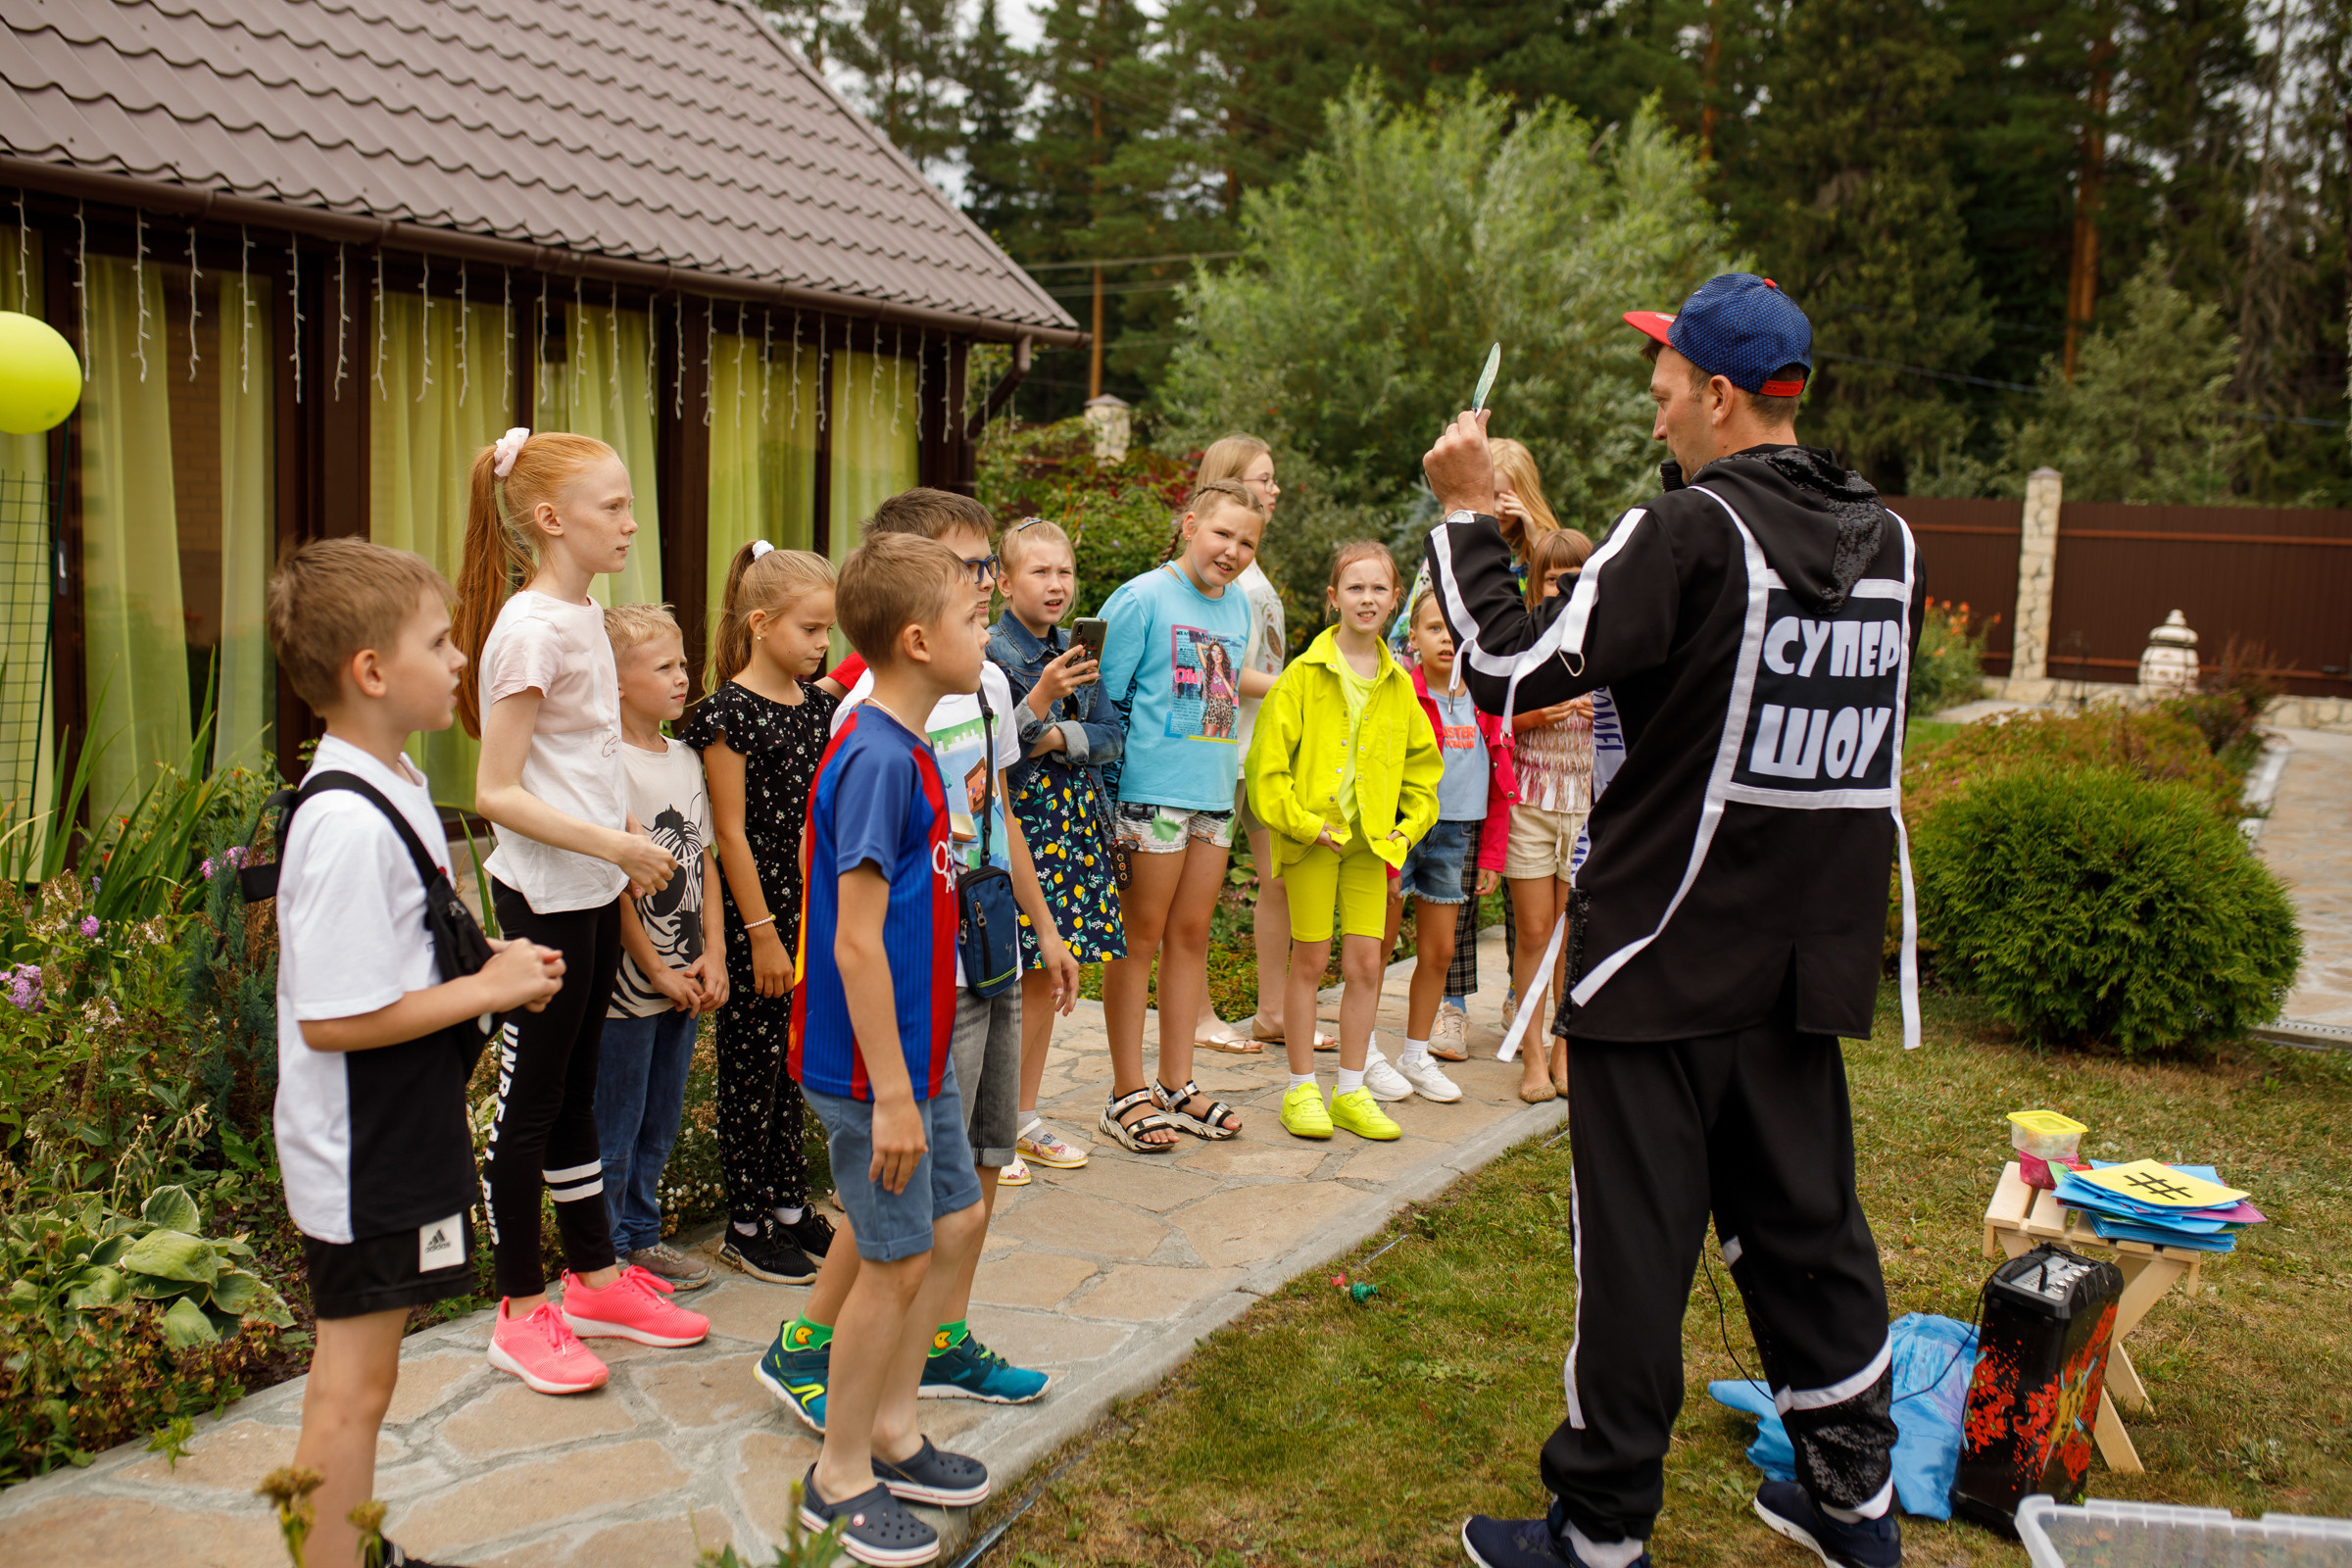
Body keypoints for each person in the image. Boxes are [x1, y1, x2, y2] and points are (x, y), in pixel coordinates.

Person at [1427, 273, 1920, 1568]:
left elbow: (1509, 669)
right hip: (1805, 960)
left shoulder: (1687, 531)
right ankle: (1856, 1508)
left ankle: (1598, 1536)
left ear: (1717, 394)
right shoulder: (1889, 541)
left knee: (1635, 1256)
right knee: (1810, 1238)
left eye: (1664, 396)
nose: (1655, 420)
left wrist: (1467, 517)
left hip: (1659, 961)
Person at [267, 538, 566, 1568]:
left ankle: (350, 1549)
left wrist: (492, 961)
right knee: (353, 1387)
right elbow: (334, 1017)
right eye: (438, 643)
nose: (459, 658)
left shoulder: (389, 777)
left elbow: (401, 950)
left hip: (395, 1129)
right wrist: (489, 988)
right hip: (364, 1150)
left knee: (365, 1376)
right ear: (370, 671)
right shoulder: (347, 823)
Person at [763, 490, 1081, 1425]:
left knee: (971, 1174)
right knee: (897, 1200)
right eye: (970, 574)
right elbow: (843, 898)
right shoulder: (869, 731)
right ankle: (816, 1348)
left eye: (985, 572)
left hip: (984, 946)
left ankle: (940, 1340)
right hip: (911, 991)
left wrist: (1042, 928)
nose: (985, 590)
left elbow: (996, 812)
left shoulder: (980, 685)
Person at [455, 427, 709, 1396]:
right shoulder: (528, 632)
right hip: (548, 896)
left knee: (574, 1089)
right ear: (551, 518)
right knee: (532, 1100)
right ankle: (520, 1309)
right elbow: (496, 791)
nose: (632, 522)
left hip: (596, 888)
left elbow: (580, 761)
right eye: (614, 506)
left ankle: (596, 1279)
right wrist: (616, 845)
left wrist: (622, 832)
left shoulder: (586, 613)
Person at [773, 531, 996, 1568]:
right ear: (917, 639)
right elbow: (854, 941)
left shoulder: (908, 748)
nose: (985, 634)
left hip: (917, 1055)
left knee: (953, 1222)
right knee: (895, 1258)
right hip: (875, 1073)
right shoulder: (872, 758)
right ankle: (838, 1475)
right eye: (974, 617)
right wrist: (897, 1095)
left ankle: (896, 1432)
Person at [676, 542, 842, 1284]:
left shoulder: (822, 707)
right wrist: (763, 934)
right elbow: (729, 833)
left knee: (790, 1062)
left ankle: (788, 1203)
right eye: (809, 629)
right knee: (750, 1062)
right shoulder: (726, 716)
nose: (822, 643)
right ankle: (745, 1223)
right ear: (761, 623)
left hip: (812, 910)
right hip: (758, 918)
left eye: (827, 629)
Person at [1093, 480, 1273, 1152]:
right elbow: (1103, 703)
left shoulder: (1239, 607)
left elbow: (1221, 700)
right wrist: (1109, 804)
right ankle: (1126, 1092)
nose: (1232, 551)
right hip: (1148, 797)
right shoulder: (1141, 597)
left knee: (1191, 934)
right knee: (1138, 938)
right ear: (1191, 524)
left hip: (1213, 796)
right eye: (1222, 533)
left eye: (1247, 542)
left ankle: (1176, 1082)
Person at [1247, 541, 1442, 1141]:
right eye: (1355, 588)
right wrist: (1306, 824)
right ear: (1334, 598)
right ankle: (1301, 1088)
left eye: (1378, 589)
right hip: (1313, 843)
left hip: (1369, 849)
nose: (1367, 598)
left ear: (1395, 600)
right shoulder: (1301, 678)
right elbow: (1266, 770)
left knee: (1364, 965)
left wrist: (1406, 828)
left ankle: (1352, 1089)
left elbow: (1424, 770)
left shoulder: (1399, 683)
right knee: (1309, 961)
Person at [987, 516, 1126, 1179]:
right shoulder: (990, 654)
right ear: (1004, 582)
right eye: (1039, 572)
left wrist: (1055, 738)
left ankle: (1022, 1117)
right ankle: (989, 1125)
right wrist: (1042, 699)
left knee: (1048, 977)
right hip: (1018, 831)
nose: (1055, 584)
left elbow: (1112, 735)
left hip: (1072, 830)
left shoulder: (1078, 650)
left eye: (1064, 571)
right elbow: (995, 756)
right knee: (1007, 982)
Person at [1182, 436, 1330, 1055]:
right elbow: (1214, 672)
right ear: (1229, 483)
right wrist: (1298, 684)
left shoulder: (1249, 565)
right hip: (1223, 746)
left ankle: (1271, 1011)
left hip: (1263, 747)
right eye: (1263, 479)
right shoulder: (1215, 576)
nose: (1274, 489)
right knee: (1201, 888)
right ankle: (1197, 1015)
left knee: (1279, 878)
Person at [1417, 435, 1562, 1057]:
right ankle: (1450, 1005)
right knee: (1459, 880)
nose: (1495, 507)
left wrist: (1534, 538)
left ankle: (1516, 997)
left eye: (1506, 494)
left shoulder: (1546, 559)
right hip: (1471, 741)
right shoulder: (1450, 557)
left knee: (1527, 893)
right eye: (1487, 493)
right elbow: (1418, 636)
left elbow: (1564, 628)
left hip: (1539, 760)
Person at [595, 604, 725, 1291]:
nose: (682, 678)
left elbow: (705, 863)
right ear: (615, 682)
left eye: (683, 664)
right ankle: (606, 1252)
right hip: (630, 985)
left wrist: (714, 955)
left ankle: (642, 1237)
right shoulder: (605, 767)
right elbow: (613, 884)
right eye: (664, 667)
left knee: (662, 1117)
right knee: (615, 1120)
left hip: (688, 974)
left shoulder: (686, 759)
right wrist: (654, 970)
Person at [1380, 584, 1506, 1097]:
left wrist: (1492, 853)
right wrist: (1389, 860)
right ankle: (1363, 1056)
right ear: (1412, 637)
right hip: (1401, 833)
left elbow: (1500, 780)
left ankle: (1414, 1056)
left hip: (1457, 835)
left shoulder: (1486, 699)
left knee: (1439, 952)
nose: (1448, 639)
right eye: (1435, 628)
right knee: (1376, 947)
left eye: (1457, 630)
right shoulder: (1400, 692)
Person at [1503, 528, 1596, 1104]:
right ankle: (1531, 1053)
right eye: (1552, 577)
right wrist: (1535, 716)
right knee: (1535, 930)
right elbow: (1494, 721)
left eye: (1573, 575)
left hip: (1586, 803)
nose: (1562, 586)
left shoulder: (1608, 640)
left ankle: (1565, 1047)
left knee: (1572, 933)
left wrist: (1598, 711)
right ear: (1535, 584)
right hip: (1531, 800)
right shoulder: (1523, 643)